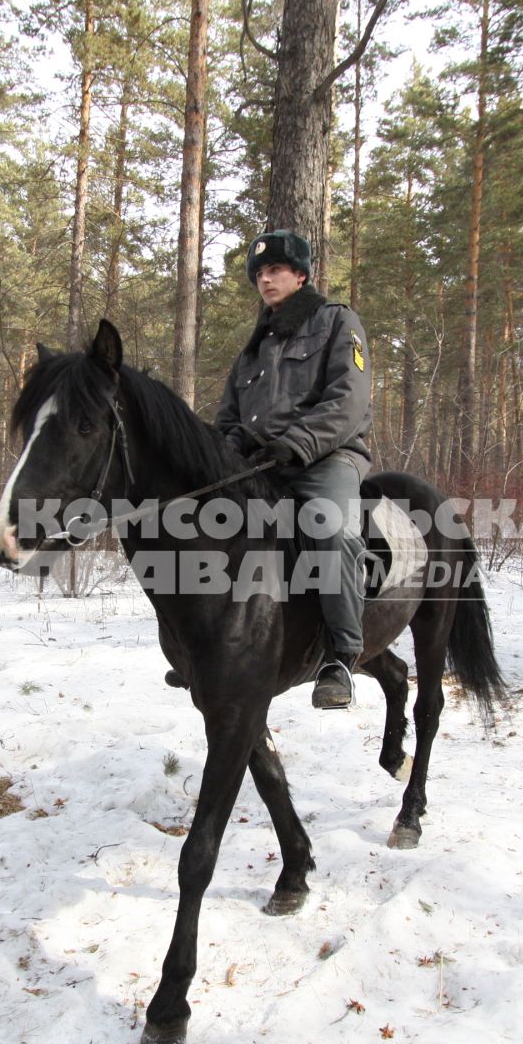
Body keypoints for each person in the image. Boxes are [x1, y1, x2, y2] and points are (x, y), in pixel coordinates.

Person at [215, 229, 373, 709]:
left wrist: (296, 444)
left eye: (276, 270)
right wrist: (232, 445)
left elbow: (349, 400)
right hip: (262, 464)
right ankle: (215, 647)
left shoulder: (336, 322)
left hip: (327, 457)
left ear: (301, 275)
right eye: (260, 273)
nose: (266, 279)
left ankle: (341, 656)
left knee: (333, 531)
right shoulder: (253, 347)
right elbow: (229, 416)